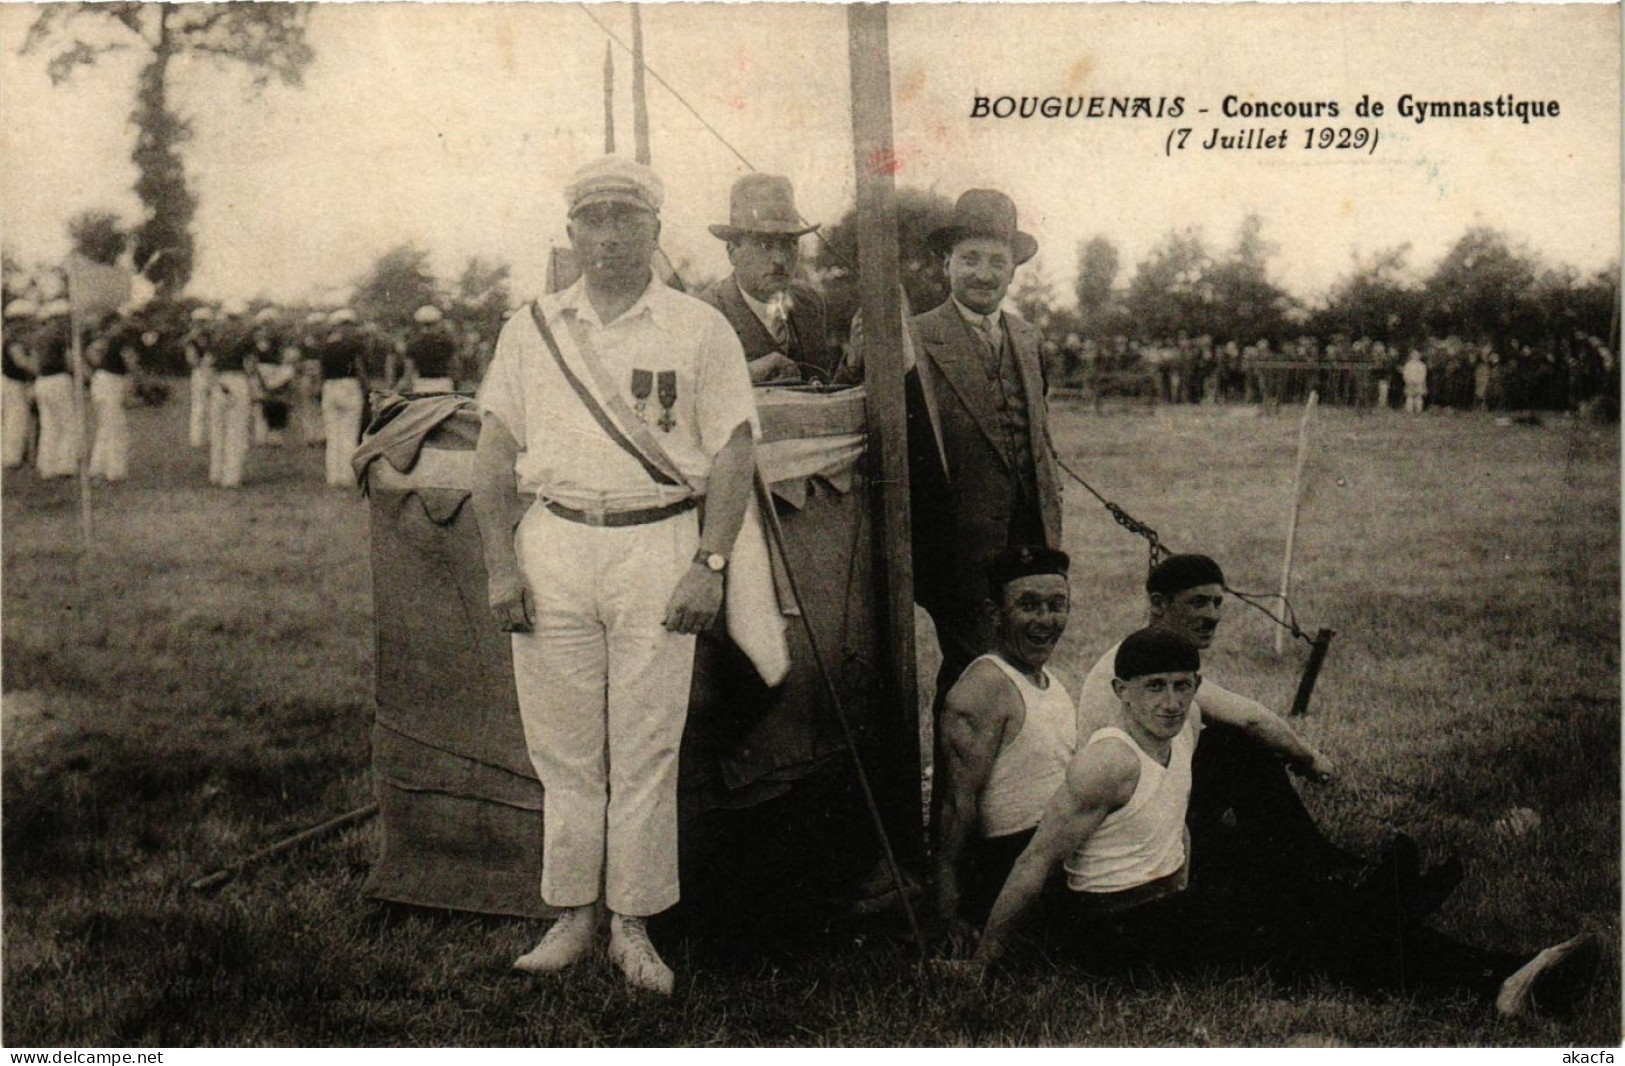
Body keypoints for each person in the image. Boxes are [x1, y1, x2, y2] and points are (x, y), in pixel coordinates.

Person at [970, 627, 1599, 1020]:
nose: (1170, 701)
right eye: (1154, 687)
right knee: (1324, 934)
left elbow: (1184, 818)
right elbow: (1037, 863)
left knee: (1311, 908)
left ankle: (1505, 967)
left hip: (1176, 902)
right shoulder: (1108, 761)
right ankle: (1496, 978)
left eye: (1182, 686)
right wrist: (982, 963)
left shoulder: (1176, 736)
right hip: (1129, 936)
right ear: (1121, 690)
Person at [471, 155, 760, 997]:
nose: (607, 235)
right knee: (561, 746)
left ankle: (633, 922)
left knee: (644, 744)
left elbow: (735, 450)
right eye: (592, 219)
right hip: (554, 540)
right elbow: (494, 449)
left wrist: (709, 563)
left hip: (657, 542)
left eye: (625, 219)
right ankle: (571, 913)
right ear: (571, 233)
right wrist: (499, 564)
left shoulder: (699, 328)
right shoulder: (531, 327)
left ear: (655, 232)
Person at [1075, 554, 1367, 885]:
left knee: (1231, 750)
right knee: (1239, 746)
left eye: (1217, 603)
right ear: (1158, 604)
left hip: (1146, 793)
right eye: (1198, 603)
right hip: (1125, 817)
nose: (1212, 616)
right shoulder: (1139, 659)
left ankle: (1315, 859)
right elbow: (1250, 720)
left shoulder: (1157, 653)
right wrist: (1309, 758)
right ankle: (1318, 863)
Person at [905, 188, 1063, 730]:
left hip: (1029, 543)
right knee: (972, 674)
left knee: (1023, 667)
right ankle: (955, 804)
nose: (983, 273)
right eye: (970, 258)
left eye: (997, 261)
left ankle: (1008, 796)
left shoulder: (1027, 337)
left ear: (1014, 271)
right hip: (956, 551)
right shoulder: (915, 337)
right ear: (945, 263)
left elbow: (1037, 436)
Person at [933, 545, 1076, 949]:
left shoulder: (1052, 680)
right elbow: (956, 807)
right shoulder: (984, 688)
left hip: (1061, 845)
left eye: (1056, 605)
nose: (1045, 620)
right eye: (1028, 606)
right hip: (1020, 863)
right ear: (995, 613)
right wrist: (950, 911)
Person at [697, 174, 834, 385]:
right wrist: (743, 377)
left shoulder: (808, 303)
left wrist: (853, 364)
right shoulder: (706, 314)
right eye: (764, 245)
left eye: (790, 243)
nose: (779, 259)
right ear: (732, 252)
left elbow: (824, 389)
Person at [208, 300, 258, 489]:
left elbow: (209, 363)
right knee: (236, 431)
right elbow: (250, 366)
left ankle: (216, 474)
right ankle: (231, 477)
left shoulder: (216, 337)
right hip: (237, 380)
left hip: (219, 381)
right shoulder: (245, 338)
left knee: (218, 429)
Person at [318, 308, 369, 487]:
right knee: (349, 432)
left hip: (329, 386)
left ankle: (333, 476)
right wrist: (366, 389)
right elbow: (359, 369)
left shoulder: (325, 345)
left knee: (333, 434)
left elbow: (321, 371)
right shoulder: (354, 345)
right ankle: (347, 476)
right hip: (349, 385)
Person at [87, 315, 139, 482]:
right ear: (113, 325)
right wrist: (136, 379)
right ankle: (114, 471)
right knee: (117, 427)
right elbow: (130, 361)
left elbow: (90, 353)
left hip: (101, 379)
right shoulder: (121, 340)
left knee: (105, 426)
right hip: (112, 381)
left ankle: (98, 468)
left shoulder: (103, 340)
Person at [32, 299, 80, 480]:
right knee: (67, 423)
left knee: (48, 424)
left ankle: (47, 466)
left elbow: (36, 361)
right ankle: (65, 465)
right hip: (59, 378)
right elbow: (69, 360)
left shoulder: (38, 335)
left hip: (42, 380)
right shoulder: (61, 336)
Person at [3, 298, 39, 470]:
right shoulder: (13, 339)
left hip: (13, 382)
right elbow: (21, 362)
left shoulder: (11, 337)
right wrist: (38, 370)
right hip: (13, 383)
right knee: (15, 419)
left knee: (16, 419)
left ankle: (14, 455)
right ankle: (11, 457)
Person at [403, 305, 458, 393]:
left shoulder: (413, 343)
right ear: (438, 322)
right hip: (444, 384)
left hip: (421, 385)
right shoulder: (447, 342)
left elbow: (409, 371)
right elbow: (455, 367)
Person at [184, 306, 216, 449]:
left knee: (211, 406)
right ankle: (197, 439)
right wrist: (205, 361)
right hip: (201, 372)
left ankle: (208, 437)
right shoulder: (192, 339)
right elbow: (192, 361)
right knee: (200, 406)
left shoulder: (213, 338)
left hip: (212, 371)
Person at [1402, 347, 1428, 414]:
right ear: (1411, 355)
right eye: (1413, 354)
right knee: (1409, 397)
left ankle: (1418, 410)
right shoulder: (1408, 365)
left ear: (1420, 356)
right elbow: (1405, 374)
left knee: (1418, 397)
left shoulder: (1422, 365)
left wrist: (1418, 381)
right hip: (1409, 383)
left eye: (1417, 355)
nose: (1415, 356)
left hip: (1419, 383)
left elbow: (1423, 375)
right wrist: (1409, 381)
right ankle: (1409, 410)